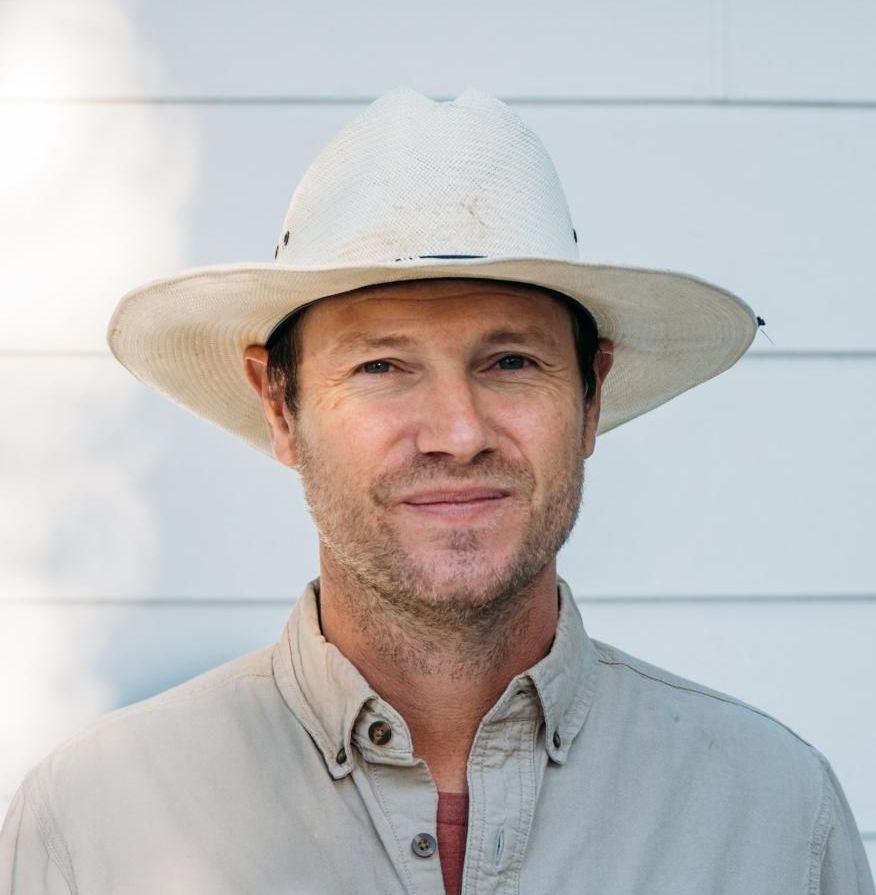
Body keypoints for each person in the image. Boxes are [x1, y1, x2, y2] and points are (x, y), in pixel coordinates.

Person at [1, 89, 872, 895]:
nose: (458, 431)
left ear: (591, 396)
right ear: (280, 404)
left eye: (511, 362)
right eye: (383, 365)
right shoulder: (95, 823)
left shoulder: (772, 817)